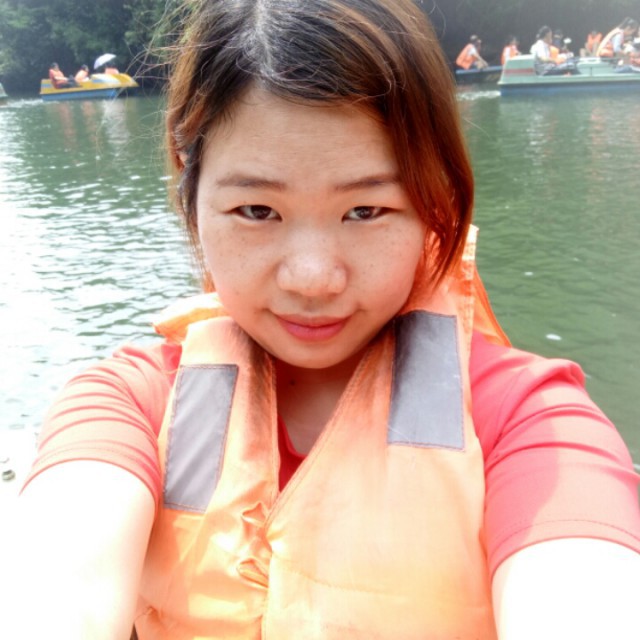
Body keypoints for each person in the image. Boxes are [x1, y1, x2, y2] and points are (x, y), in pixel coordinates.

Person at [7, 1, 640, 638]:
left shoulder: (526, 420)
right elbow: (60, 591)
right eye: (257, 211)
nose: (312, 279)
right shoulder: (130, 406)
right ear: (191, 196)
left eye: (366, 211)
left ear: (436, 204)